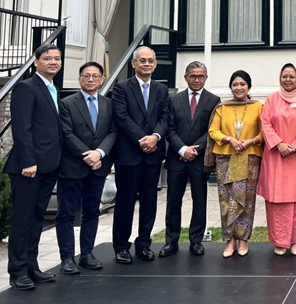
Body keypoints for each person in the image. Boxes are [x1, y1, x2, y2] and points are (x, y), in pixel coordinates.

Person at [4, 44, 63, 290]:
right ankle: (17, 271)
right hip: (29, 167)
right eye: (47, 58)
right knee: (22, 220)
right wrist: (29, 161)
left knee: (38, 219)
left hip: (48, 166)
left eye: (57, 58)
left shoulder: (52, 89)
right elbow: (22, 127)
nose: (53, 62)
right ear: (36, 61)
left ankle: (31, 266)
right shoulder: (26, 88)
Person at [56, 62, 116, 275]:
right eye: (86, 76)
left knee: (92, 211)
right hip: (72, 167)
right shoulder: (66, 103)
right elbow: (66, 133)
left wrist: (99, 153)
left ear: (101, 79)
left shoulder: (109, 104)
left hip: (98, 168)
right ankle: (67, 257)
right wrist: (88, 155)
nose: (90, 79)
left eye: (95, 76)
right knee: (66, 214)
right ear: (80, 78)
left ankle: (87, 253)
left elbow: (113, 132)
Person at [111, 46, 169, 264]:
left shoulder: (161, 90)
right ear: (134, 64)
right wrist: (142, 139)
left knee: (149, 201)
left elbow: (165, 117)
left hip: (153, 156)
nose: (146, 64)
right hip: (129, 155)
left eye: (150, 61)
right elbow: (121, 116)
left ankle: (143, 243)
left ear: (155, 64)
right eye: (142, 60)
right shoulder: (122, 88)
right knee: (125, 202)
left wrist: (155, 137)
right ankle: (121, 246)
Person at [159, 61, 220, 258]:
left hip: (199, 159)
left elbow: (212, 130)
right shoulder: (173, 100)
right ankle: (171, 241)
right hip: (177, 158)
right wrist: (182, 148)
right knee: (173, 201)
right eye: (193, 76)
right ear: (185, 77)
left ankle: (196, 241)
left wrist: (195, 149)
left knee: (199, 200)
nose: (196, 79)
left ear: (206, 78)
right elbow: (169, 128)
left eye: (200, 76)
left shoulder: (213, 100)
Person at [258, 63, 296, 255]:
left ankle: (295, 240)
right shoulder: (271, 99)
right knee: (276, 200)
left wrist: (295, 146)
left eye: (292, 76)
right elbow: (265, 123)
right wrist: (279, 144)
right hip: (276, 155)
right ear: (279, 77)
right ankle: (279, 241)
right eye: (284, 76)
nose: (288, 80)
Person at [208, 70, 264, 258]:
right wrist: (229, 139)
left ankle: (243, 239)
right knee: (227, 201)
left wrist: (251, 141)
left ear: (249, 86)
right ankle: (229, 240)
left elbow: (265, 132)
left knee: (246, 201)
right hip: (226, 158)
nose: (238, 88)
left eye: (242, 84)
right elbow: (213, 131)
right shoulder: (222, 108)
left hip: (249, 158)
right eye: (235, 84)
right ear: (230, 87)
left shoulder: (258, 107)